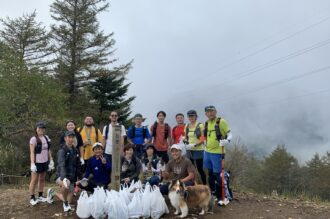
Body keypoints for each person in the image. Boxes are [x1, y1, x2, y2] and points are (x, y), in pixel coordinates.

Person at [203, 105, 232, 206]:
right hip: (207, 152)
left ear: (216, 112)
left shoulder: (221, 121)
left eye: (212, 111)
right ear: (206, 114)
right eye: (208, 112)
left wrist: (227, 140)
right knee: (210, 174)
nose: (210, 113)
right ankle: (213, 194)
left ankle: (222, 197)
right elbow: (205, 136)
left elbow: (229, 133)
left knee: (217, 175)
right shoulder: (206, 123)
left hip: (218, 152)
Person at [54, 130, 81, 212]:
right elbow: (61, 165)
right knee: (66, 185)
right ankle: (65, 203)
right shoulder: (62, 150)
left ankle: (53, 193)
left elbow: (78, 166)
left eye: (72, 137)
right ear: (65, 138)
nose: (71, 139)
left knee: (70, 200)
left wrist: (81, 178)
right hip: (61, 176)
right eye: (69, 137)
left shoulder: (75, 150)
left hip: (72, 178)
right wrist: (64, 178)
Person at [29, 122, 54, 206]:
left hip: (45, 162)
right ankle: (32, 197)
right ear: (36, 129)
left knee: (42, 179)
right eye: (39, 128)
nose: (41, 130)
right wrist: (32, 164)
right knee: (34, 180)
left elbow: (48, 150)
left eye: (42, 128)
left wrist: (51, 160)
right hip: (37, 163)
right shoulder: (33, 139)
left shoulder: (46, 138)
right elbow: (32, 152)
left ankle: (40, 195)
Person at [184, 110, 207, 185]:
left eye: (192, 116)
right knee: (191, 170)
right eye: (189, 116)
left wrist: (194, 145)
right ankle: (194, 184)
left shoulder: (200, 125)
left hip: (198, 150)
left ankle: (204, 185)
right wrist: (184, 141)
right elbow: (186, 137)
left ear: (196, 117)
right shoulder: (187, 125)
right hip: (189, 150)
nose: (191, 117)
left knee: (200, 169)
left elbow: (203, 138)